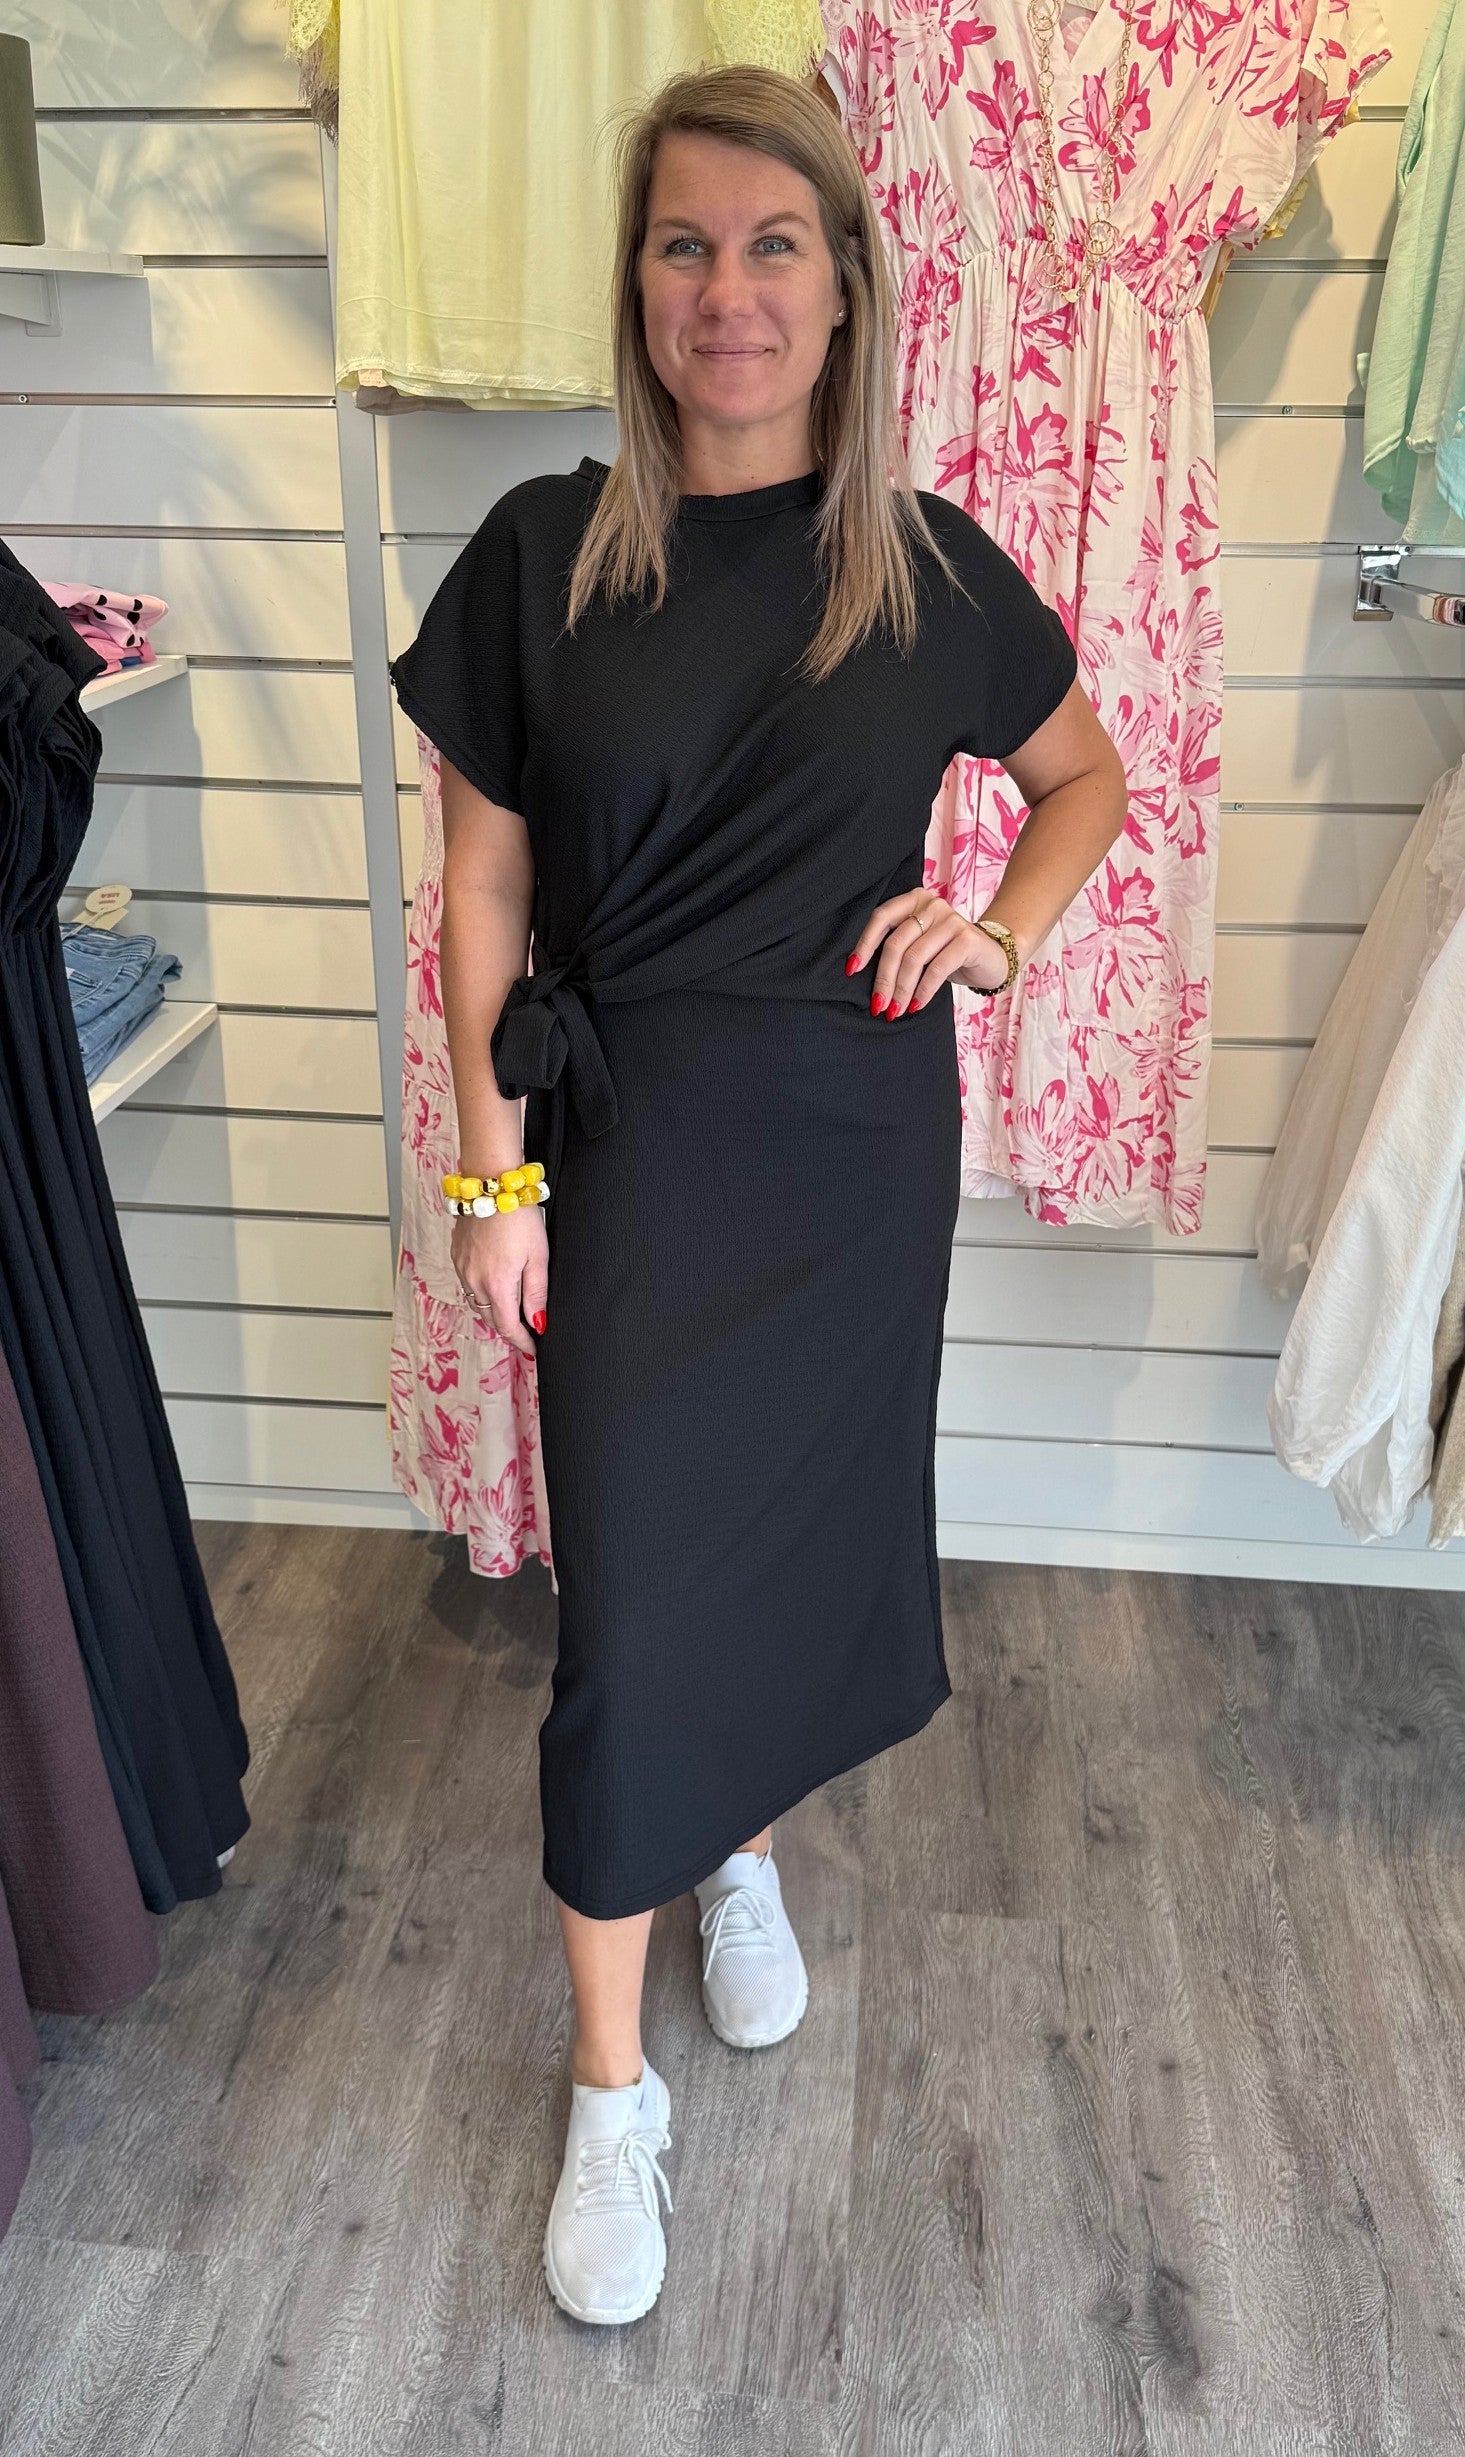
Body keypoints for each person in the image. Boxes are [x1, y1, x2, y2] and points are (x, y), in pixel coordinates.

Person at [389, 63, 1128, 2328]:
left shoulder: (926, 564)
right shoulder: (542, 555)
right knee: (630, 1609)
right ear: (637, 286)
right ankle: (609, 2087)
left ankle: (739, 1851)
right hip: (625, 1150)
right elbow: (479, 892)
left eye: (772, 243)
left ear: (845, 284)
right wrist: (493, 1171)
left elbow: (1084, 781)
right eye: (685, 244)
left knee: (787, 1550)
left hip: (849, 1154)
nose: (728, 288)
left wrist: (993, 931)